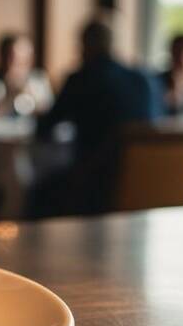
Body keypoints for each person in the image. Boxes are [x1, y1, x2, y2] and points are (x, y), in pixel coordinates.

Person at [33, 15, 161, 215]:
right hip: (148, 181)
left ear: (85, 44)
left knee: (37, 191)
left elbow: (44, 130)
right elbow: (154, 128)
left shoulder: (81, 79)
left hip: (94, 183)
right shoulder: (144, 79)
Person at [0, 33, 53, 124]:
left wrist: (33, 98)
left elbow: (50, 116)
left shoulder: (38, 80)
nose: (13, 66)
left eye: (22, 61)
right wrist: (9, 98)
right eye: (10, 58)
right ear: (1, 57)